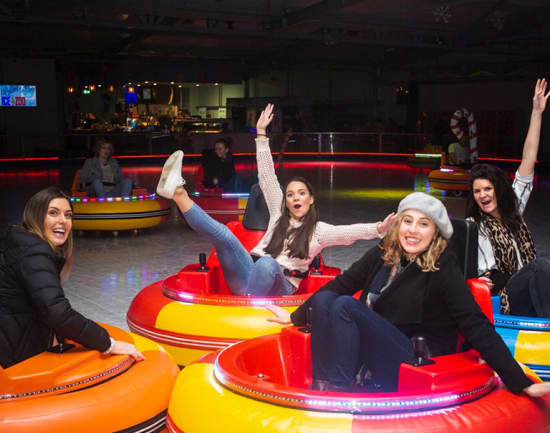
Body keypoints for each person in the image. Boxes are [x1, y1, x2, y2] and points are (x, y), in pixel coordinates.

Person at [266, 192, 550, 398]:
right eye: (408, 221)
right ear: (398, 224)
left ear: (435, 232)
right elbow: (342, 284)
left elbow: (474, 322)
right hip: (380, 346)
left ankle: (339, 393)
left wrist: (517, 379)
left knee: (343, 307)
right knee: (328, 300)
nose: (413, 231)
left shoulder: (443, 265)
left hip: (414, 354)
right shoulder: (385, 252)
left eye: (423, 224)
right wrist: (294, 316)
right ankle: (325, 386)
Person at [156, 103, 396, 297]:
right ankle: (178, 193)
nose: (295, 198)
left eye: (301, 193)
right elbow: (267, 175)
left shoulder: (318, 231)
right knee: (225, 235)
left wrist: (379, 228)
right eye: (290, 194)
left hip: (280, 286)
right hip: (247, 273)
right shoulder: (279, 214)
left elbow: (349, 232)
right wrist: (261, 134)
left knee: (269, 265)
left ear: (311, 199)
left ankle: (250, 305)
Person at [0, 187, 144, 368]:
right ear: (35, 216)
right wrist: (110, 344)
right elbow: (57, 312)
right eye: (53, 213)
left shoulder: (19, 241)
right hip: (12, 355)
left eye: (68, 215)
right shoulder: (34, 254)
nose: (63, 221)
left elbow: (42, 304)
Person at [465, 78, 550, 316]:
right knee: (540, 267)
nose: (483, 195)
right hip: (506, 297)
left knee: (540, 269)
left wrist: (536, 112)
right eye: (477, 191)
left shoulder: (514, 208)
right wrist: (478, 278)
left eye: (488, 189)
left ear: (498, 190)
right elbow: (463, 267)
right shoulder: (474, 227)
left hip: (529, 286)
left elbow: (528, 158)